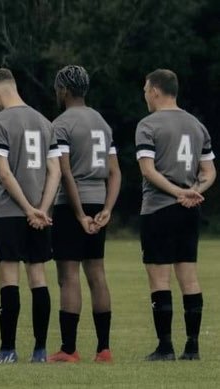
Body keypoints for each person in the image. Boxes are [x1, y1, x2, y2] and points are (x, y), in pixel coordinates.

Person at [0, 68, 61, 364]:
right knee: (38, 276)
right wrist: (42, 208)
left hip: (10, 211)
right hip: (41, 213)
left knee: (9, 276)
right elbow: (55, 172)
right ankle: (40, 350)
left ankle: (8, 350)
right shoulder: (45, 122)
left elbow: (4, 172)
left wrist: (27, 209)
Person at [136, 69, 214, 361]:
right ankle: (192, 347)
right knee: (189, 277)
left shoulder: (148, 125)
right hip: (188, 211)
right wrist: (193, 191)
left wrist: (176, 192)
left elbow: (148, 170)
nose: (145, 95)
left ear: (156, 90)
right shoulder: (196, 125)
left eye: (146, 90)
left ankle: (165, 347)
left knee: (160, 280)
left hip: (158, 208)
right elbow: (209, 172)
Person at [48, 65, 119, 363]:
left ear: (64, 90)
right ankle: (104, 349)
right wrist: (107, 209)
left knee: (68, 276)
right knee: (97, 274)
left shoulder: (61, 124)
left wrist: (78, 214)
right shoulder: (102, 122)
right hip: (99, 201)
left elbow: (65, 173)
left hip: (71, 205)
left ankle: (69, 349)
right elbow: (115, 173)